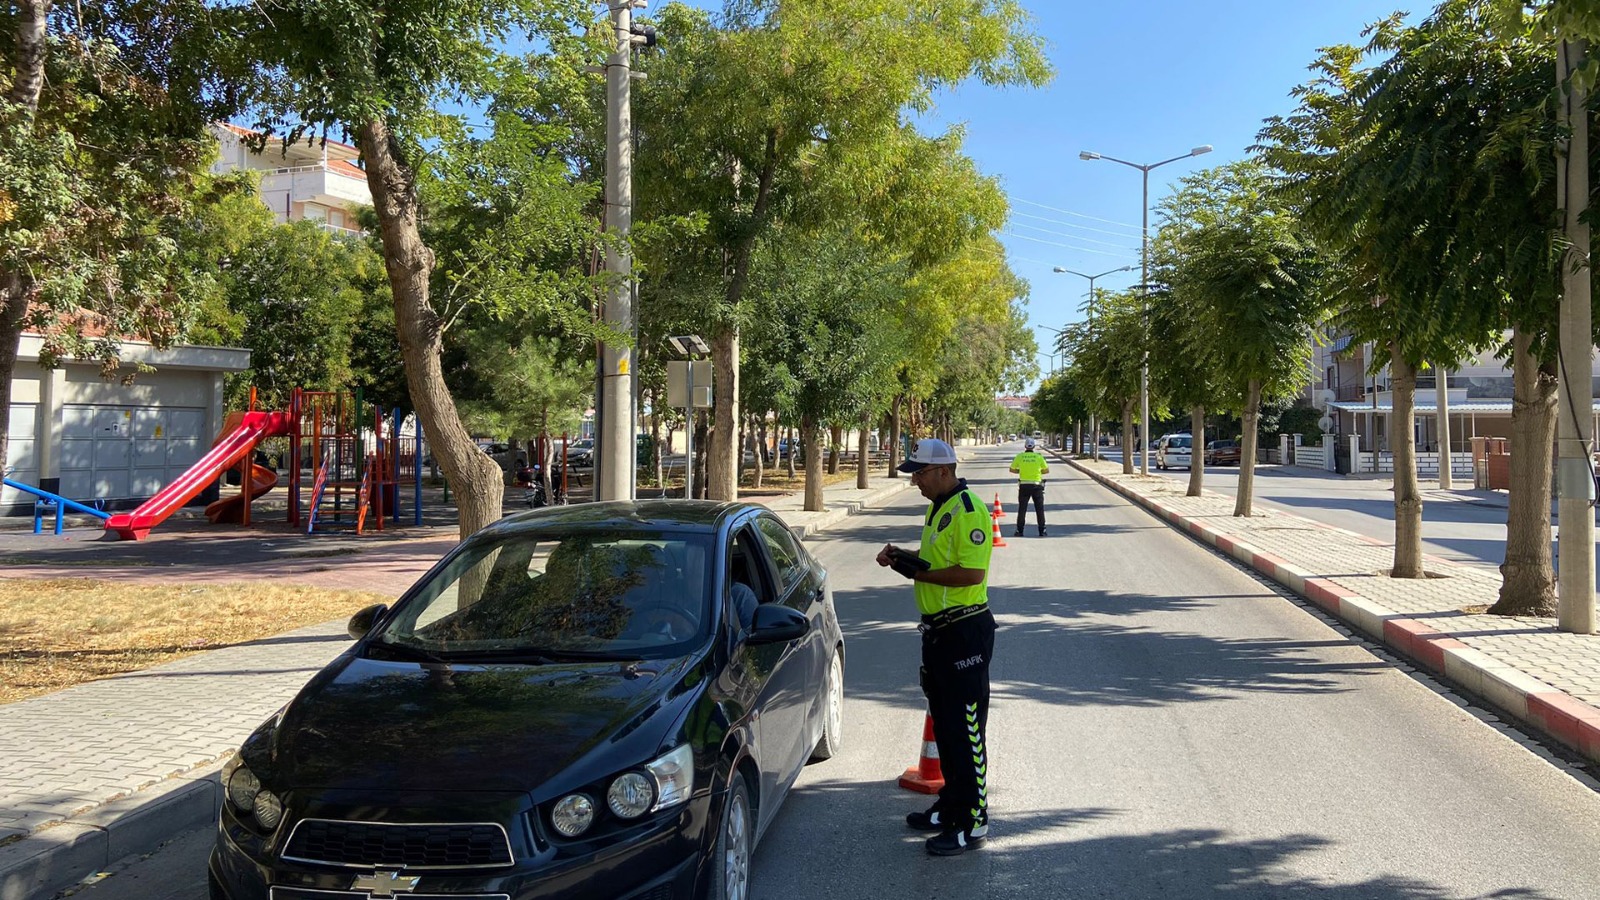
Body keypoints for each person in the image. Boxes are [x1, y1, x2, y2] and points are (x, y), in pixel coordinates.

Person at [875, 437, 996, 856]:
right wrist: (904, 559)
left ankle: (973, 820)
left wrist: (915, 573)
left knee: (965, 731)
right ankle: (951, 804)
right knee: (945, 727)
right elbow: (936, 565)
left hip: (965, 632)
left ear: (944, 471)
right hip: (940, 633)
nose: (916, 482)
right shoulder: (938, 508)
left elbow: (969, 575)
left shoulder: (969, 511)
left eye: (920, 474)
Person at [1008, 437, 1049, 537]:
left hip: (1024, 486)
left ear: (1025, 446)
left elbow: (1011, 469)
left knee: (1022, 509)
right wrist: (1038, 471)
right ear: (1034, 446)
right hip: (1037, 486)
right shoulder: (1039, 457)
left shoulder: (1020, 457)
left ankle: (1019, 530)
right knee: (1039, 509)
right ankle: (1042, 531)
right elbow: (1046, 470)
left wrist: (1020, 471)